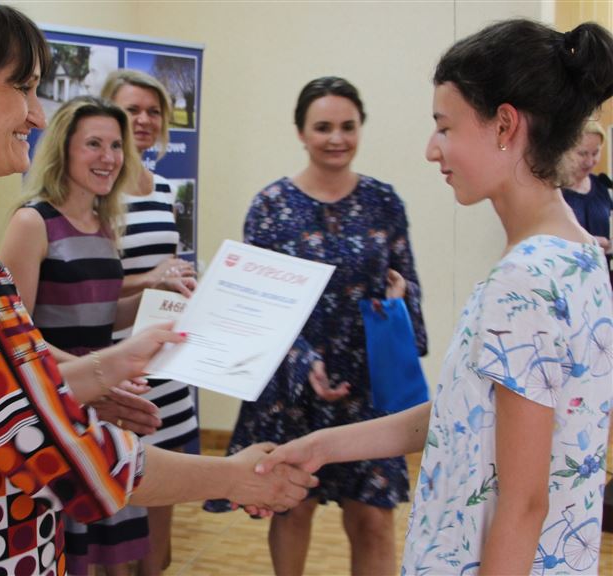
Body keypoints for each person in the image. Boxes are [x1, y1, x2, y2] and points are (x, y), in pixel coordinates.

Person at [0, 2, 318, 574]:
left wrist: (97, 373)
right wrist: (236, 477)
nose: (37, 115)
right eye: (23, 88)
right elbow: (69, 459)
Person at [257, 19, 613, 576]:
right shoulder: (582, 253)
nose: (431, 149)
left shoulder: (524, 280)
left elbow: (524, 504)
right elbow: (463, 413)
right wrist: (322, 446)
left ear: (504, 125)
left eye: (444, 127)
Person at [206, 76, 428, 576]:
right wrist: (304, 363)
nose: (336, 138)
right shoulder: (270, 205)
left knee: (374, 518)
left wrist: (400, 302)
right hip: (293, 383)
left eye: (348, 126)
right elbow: (252, 304)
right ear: (301, 132)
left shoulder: (384, 201)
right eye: (323, 127)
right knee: (292, 506)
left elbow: (407, 281)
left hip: (368, 385)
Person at [0, 96, 191, 575]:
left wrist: (157, 302)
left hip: (106, 399)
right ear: (63, 148)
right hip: (61, 398)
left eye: (116, 145)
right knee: (69, 550)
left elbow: (101, 315)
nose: (108, 157)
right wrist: (101, 369)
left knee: (113, 553)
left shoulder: (104, 225)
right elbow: (15, 337)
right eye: (93, 144)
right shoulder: (32, 222)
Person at [101, 68, 198, 575]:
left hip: (169, 366)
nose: (143, 119)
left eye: (153, 111)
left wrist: (184, 281)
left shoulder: (163, 188)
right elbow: (82, 290)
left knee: (161, 518)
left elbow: (167, 268)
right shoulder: (95, 191)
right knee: (116, 518)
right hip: (118, 371)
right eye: (131, 109)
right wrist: (150, 278)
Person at [561, 119, 611, 255]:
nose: (589, 162)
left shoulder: (601, 185)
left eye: (595, 153)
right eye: (582, 153)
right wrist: (590, 242)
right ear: (565, 150)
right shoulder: (553, 190)